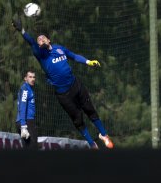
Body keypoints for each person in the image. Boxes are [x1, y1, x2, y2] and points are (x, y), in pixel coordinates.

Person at [12, 18, 114, 149]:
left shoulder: (59, 48)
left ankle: (104, 135)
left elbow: (74, 56)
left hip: (76, 85)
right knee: (78, 119)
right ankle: (91, 143)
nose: (40, 40)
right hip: (63, 95)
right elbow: (31, 42)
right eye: (38, 40)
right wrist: (22, 30)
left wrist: (88, 62)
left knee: (90, 110)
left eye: (42, 38)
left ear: (49, 40)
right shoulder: (40, 55)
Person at [16, 70, 38, 149]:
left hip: (27, 121)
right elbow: (22, 106)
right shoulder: (25, 89)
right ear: (25, 78)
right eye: (30, 77)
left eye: (34, 77)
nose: (33, 79)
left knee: (28, 147)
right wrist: (23, 126)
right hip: (26, 121)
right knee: (33, 147)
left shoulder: (30, 89)